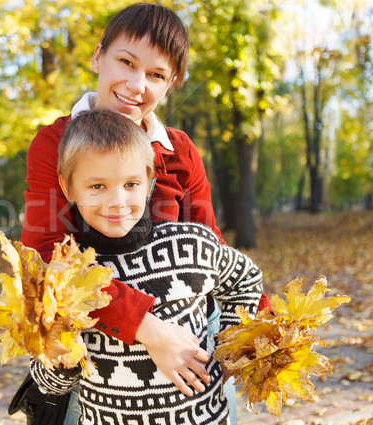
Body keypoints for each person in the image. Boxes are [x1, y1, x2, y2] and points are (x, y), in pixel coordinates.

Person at [20, 3, 270, 423]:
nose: (137, 85)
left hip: (189, 354)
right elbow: (45, 257)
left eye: (156, 75)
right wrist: (148, 330)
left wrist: (254, 332)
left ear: (172, 83)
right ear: (99, 56)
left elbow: (212, 249)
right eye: (126, 62)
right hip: (102, 361)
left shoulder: (179, 150)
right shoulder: (56, 142)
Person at [30, 108, 263, 424]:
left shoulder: (191, 243)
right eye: (97, 186)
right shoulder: (69, 275)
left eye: (130, 184)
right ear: (68, 187)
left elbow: (245, 278)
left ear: (150, 181)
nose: (117, 201)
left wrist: (231, 347)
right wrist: (63, 355)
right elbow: (49, 384)